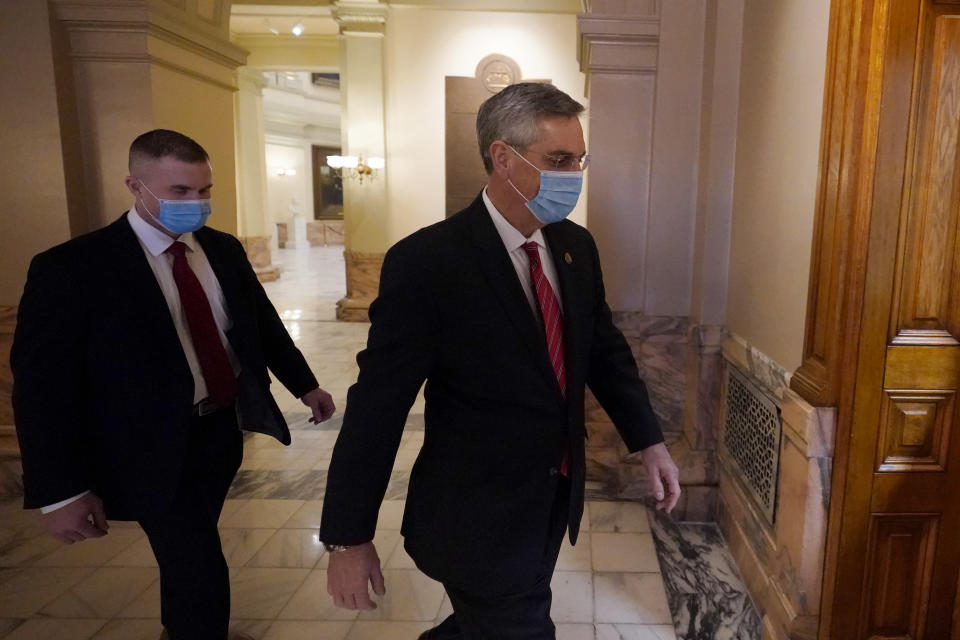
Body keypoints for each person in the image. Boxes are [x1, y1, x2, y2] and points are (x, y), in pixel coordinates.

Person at [319, 82, 680, 639]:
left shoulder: (573, 247)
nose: (573, 176)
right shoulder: (429, 262)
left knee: (487, 623)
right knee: (520, 627)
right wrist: (348, 535)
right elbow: (377, 407)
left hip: (552, 497)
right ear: (502, 158)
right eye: (558, 160)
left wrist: (649, 441)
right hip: (475, 514)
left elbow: (603, 350)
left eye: (579, 160)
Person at [11, 129, 335, 640]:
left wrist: (304, 384)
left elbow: (260, 324)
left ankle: (178, 629)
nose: (197, 203)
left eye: (204, 190)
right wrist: (58, 492)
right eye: (180, 192)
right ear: (135, 186)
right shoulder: (73, 269)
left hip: (218, 434)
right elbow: (41, 389)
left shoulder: (221, 250)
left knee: (189, 552)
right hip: (147, 447)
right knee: (199, 565)